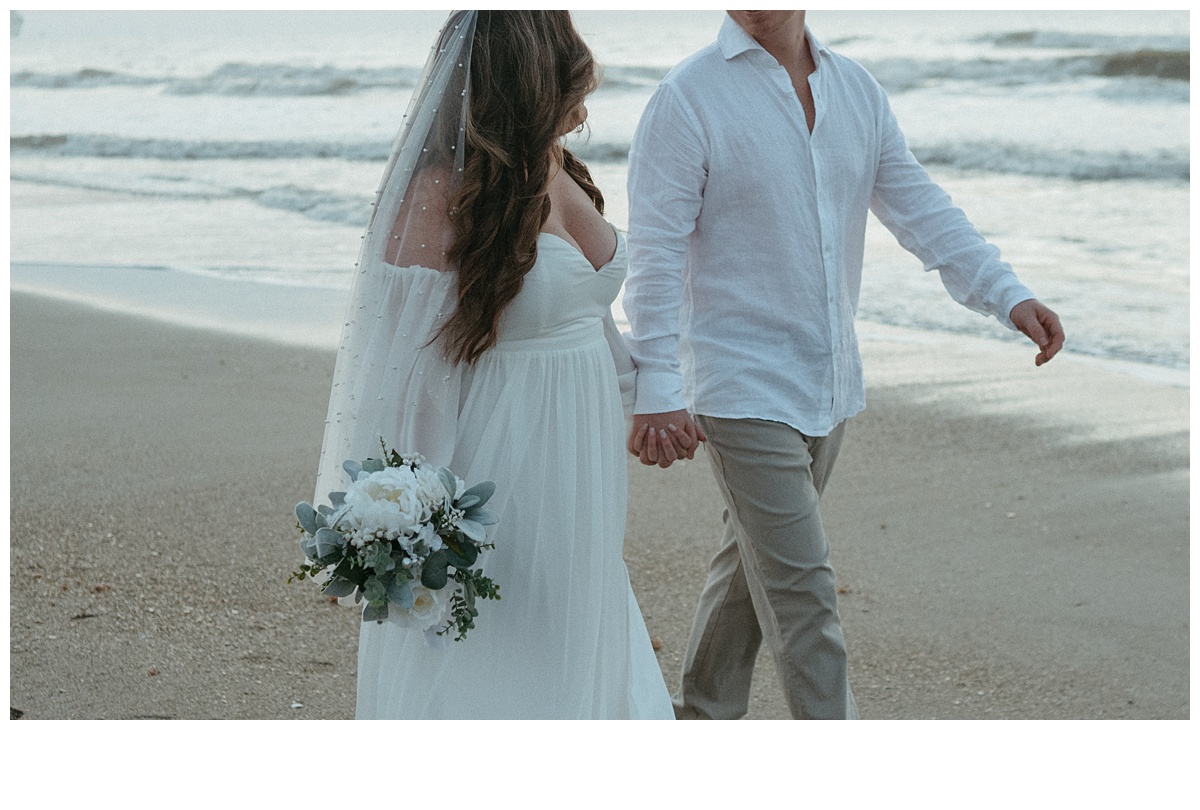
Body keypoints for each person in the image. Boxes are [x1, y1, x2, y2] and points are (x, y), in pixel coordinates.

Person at [622, 10, 1064, 720]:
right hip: (737, 384)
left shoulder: (857, 90)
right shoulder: (687, 98)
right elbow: (654, 250)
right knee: (805, 596)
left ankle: (700, 717)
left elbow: (921, 209)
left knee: (749, 567)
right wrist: (657, 384)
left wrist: (1006, 294)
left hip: (827, 380)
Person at [313, 10, 673, 719]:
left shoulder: (558, 165)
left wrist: (652, 396)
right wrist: (414, 520)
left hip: (582, 457)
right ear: (530, 79)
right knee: (497, 646)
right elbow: (407, 371)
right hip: (499, 462)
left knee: (575, 622)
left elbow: (582, 311)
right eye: (572, 77)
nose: (586, 97)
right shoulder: (437, 195)